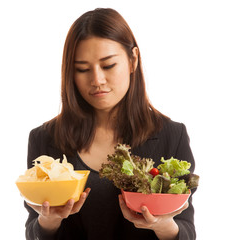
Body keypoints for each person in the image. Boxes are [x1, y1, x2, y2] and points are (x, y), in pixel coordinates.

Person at [24, 8, 196, 240]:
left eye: (108, 66)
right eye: (82, 69)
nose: (97, 80)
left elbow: (186, 231)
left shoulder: (171, 135)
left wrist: (163, 226)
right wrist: (48, 222)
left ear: (132, 59)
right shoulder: (44, 138)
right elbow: (34, 231)